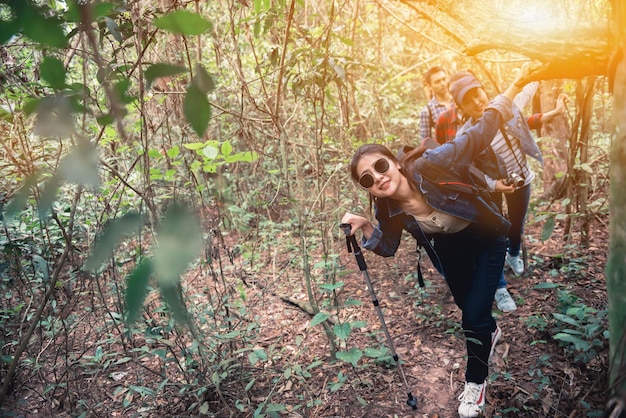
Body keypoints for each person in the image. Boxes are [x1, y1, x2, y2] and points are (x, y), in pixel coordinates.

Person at [341, 70, 530, 417]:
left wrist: (515, 87)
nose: (379, 177)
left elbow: (479, 133)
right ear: (367, 188)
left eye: (381, 166)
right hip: (448, 249)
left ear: (396, 162)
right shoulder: (388, 209)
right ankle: (491, 331)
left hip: (486, 237)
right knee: (465, 304)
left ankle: (476, 385)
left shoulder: (431, 164)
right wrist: (366, 224)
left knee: (472, 316)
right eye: (368, 178)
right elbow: (387, 247)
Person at [450, 72, 568, 277]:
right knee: (495, 228)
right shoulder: (467, 135)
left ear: (483, 90)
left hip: (520, 178)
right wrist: (493, 184)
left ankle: (513, 254)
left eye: (478, 94)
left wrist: (540, 71)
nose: (477, 102)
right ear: (461, 109)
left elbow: (526, 90)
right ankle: (497, 275)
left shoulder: (504, 106)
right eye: (468, 102)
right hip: (491, 186)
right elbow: (469, 170)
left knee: (516, 222)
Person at [419, 66, 453, 141]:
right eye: (437, 82)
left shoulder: (458, 100)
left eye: (444, 79)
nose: (443, 83)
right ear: (430, 86)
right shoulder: (427, 111)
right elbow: (425, 143)